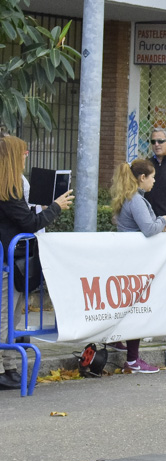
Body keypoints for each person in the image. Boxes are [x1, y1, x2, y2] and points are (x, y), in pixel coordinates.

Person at [0, 134, 72, 390]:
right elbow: (29, 224)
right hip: (7, 262)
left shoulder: (11, 187)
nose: (25, 156)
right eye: (23, 152)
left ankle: (9, 369)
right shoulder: (7, 189)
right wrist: (55, 207)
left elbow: (23, 220)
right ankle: (4, 368)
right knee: (5, 316)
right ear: (12, 156)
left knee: (12, 316)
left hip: (13, 260)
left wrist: (41, 208)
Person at [111, 159, 166, 374]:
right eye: (152, 177)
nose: (154, 181)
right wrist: (164, 222)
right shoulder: (136, 200)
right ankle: (132, 359)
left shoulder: (130, 198)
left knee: (128, 306)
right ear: (142, 178)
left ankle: (118, 342)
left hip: (129, 259)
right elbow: (148, 228)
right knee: (136, 308)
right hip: (136, 261)